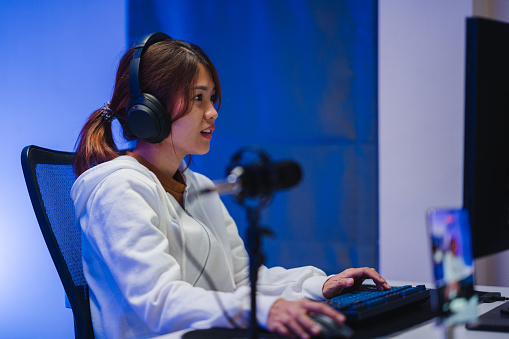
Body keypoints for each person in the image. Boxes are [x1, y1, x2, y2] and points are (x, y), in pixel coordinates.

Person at [71, 33, 390, 339]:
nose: (213, 112)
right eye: (198, 98)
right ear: (151, 111)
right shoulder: (118, 190)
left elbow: (241, 281)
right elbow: (160, 302)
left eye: (212, 98)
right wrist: (263, 311)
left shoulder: (201, 188)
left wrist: (320, 285)